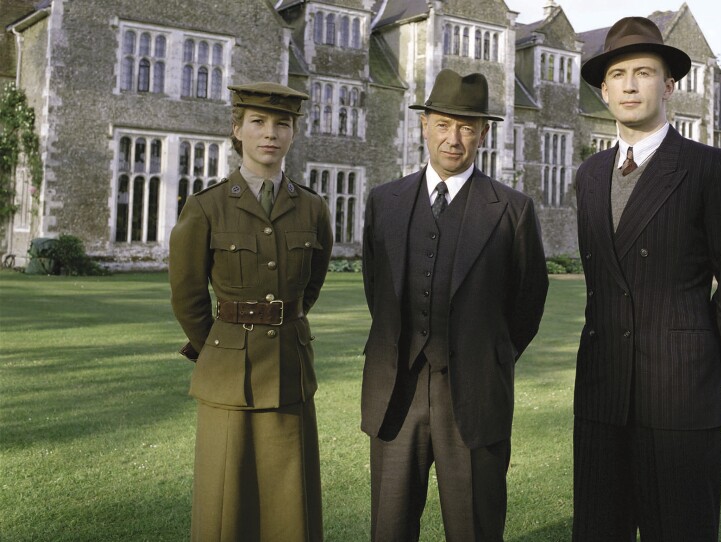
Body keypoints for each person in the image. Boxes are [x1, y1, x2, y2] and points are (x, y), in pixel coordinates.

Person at [572, 17, 721, 541]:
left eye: (644, 72)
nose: (631, 84)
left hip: (680, 398)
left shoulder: (711, 168)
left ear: (669, 84)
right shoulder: (588, 176)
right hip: (601, 393)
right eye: (619, 74)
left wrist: (703, 365)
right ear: (604, 89)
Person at [360, 69, 549, 541]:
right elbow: (376, 288)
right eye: (443, 124)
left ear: (483, 133)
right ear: (424, 125)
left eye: (466, 127)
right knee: (389, 527)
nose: (453, 138)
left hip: (474, 394)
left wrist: (485, 355)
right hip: (395, 391)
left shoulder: (512, 210)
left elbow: (527, 303)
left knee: (474, 529)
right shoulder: (385, 201)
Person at [169, 81, 332, 542]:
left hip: (289, 371)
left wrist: (280, 323)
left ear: (293, 134)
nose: (270, 134)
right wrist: (223, 348)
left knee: (290, 507)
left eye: (282, 124)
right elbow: (187, 296)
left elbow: (310, 285)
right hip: (227, 377)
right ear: (237, 130)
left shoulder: (314, 209)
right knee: (225, 506)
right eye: (258, 122)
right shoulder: (206, 207)